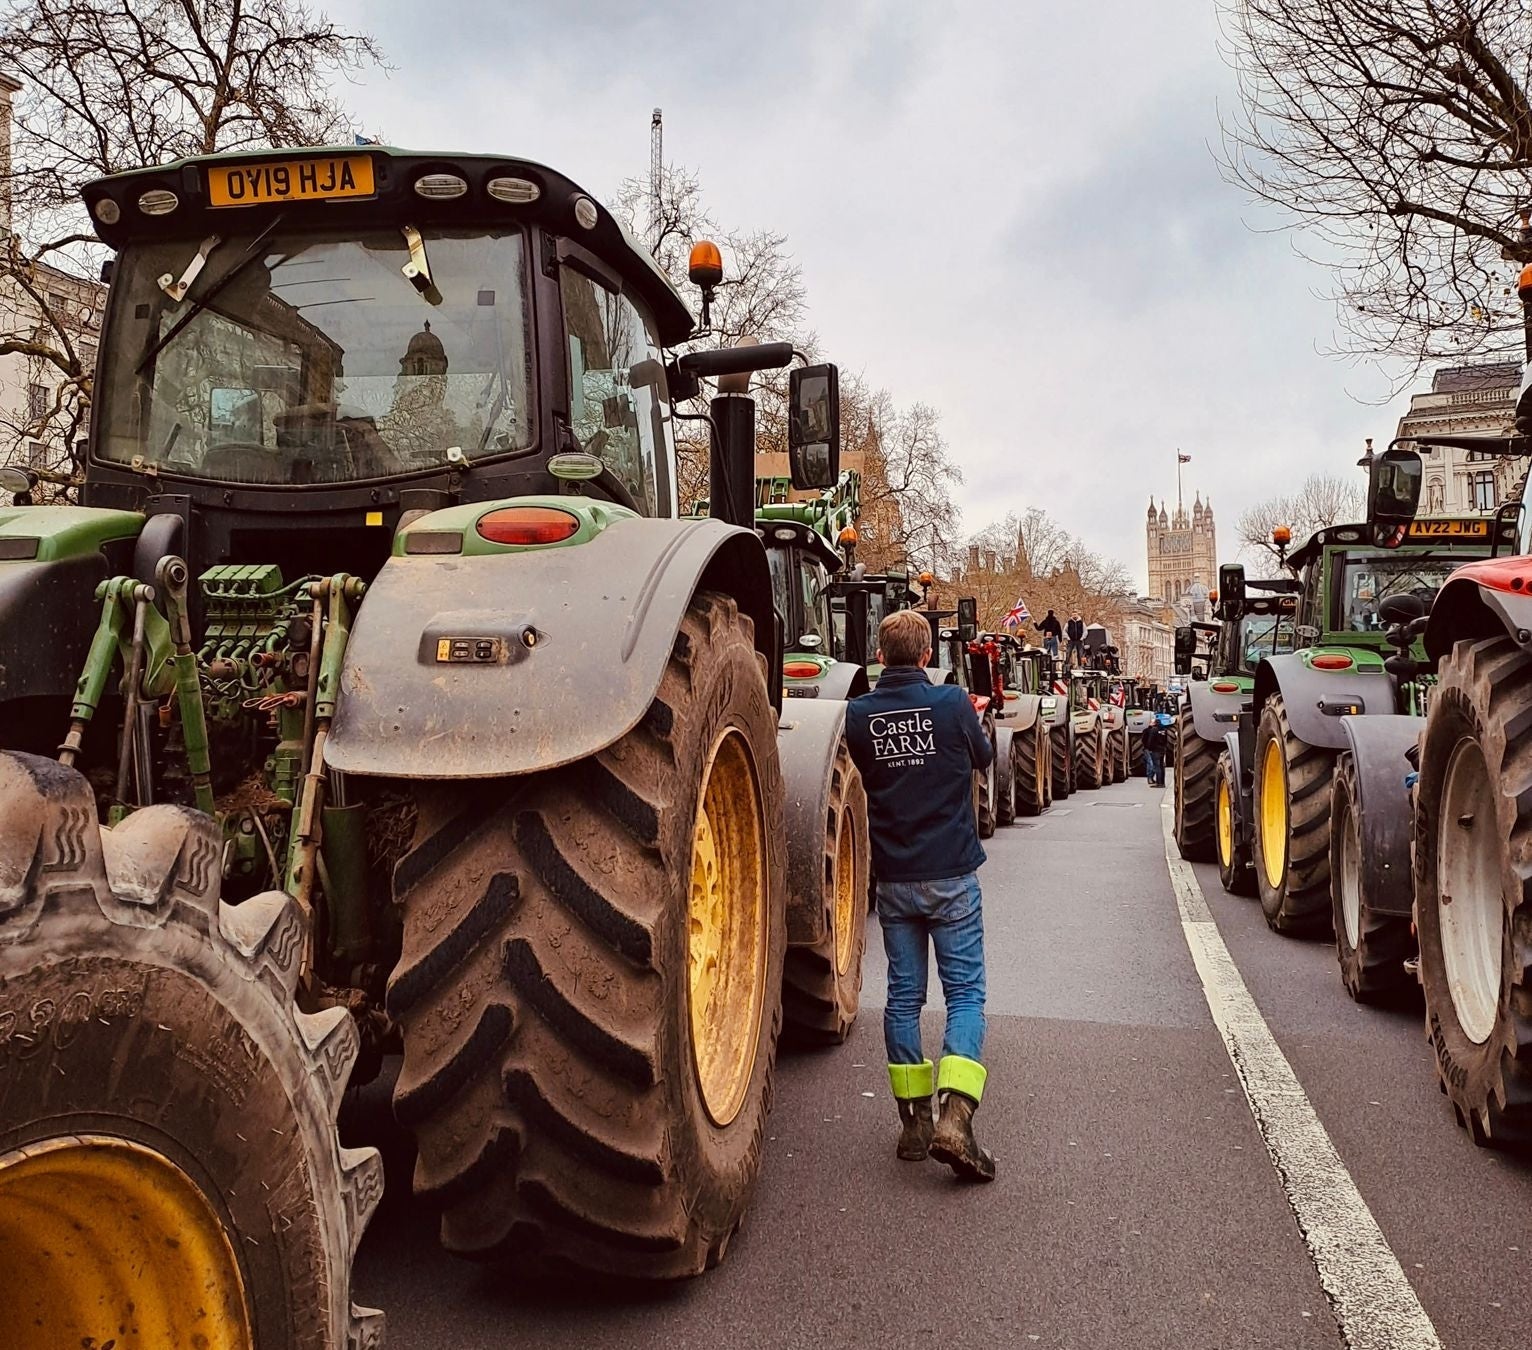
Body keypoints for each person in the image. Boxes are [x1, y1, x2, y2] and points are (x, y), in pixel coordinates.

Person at [845, 608, 997, 1182]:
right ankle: (956, 1116)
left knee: (904, 998)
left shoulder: (859, 715)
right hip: (951, 873)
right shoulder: (952, 703)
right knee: (965, 995)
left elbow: (868, 772)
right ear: (928, 655)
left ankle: (913, 1125)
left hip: (895, 879)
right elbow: (984, 757)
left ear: (880, 656)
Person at [1141, 712, 1168, 787]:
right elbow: (1166, 740)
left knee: (1157, 767)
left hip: (1155, 751)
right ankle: (1162, 782)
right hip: (1162, 750)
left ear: (1155, 723)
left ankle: (1158, 783)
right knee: (1162, 767)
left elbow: (1150, 741)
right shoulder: (1164, 730)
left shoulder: (1154, 730)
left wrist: (1149, 748)